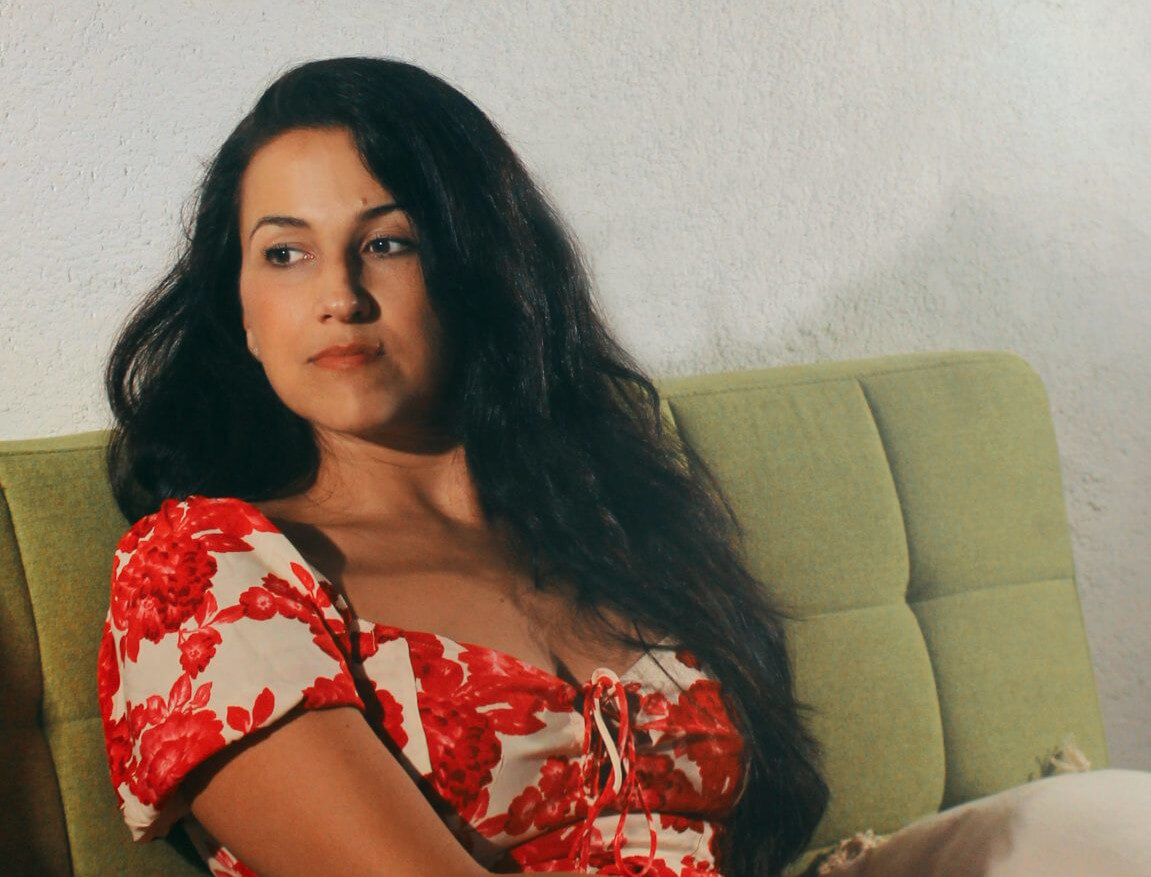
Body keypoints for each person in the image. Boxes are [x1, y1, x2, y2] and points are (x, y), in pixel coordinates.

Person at [98, 57, 829, 877]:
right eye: (285, 253)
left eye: (387, 243)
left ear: (480, 267)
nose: (340, 296)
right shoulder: (203, 569)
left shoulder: (614, 531)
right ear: (241, 312)